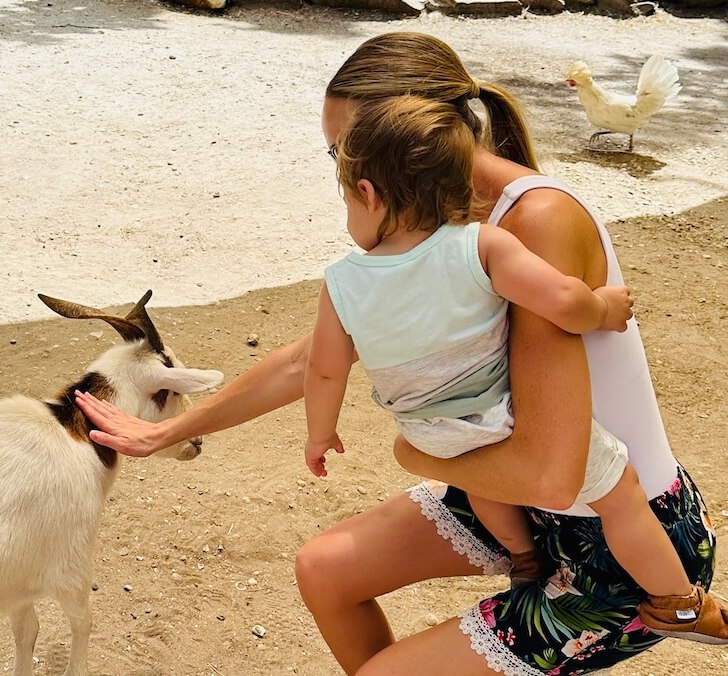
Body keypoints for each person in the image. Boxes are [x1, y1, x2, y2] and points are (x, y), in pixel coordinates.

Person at [73, 32, 720, 676]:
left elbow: (554, 473)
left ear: (406, 138)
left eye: (343, 151)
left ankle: (682, 608)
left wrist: (412, 454)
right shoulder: (435, 231)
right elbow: (311, 362)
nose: (343, 174)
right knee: (324, 570)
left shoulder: (534, 222)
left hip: (622, 544)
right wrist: (167, 431)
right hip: (528, 504)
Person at [301, 91, 725, 644]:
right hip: (496, 418)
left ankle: (525, 558)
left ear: (367, 193)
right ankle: (680, 603)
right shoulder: (480, 246)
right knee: (619, 490)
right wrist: (605, 308)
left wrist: (320, 434)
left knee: (478, 475)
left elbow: (324, 370)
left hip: (429, 432)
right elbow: (564, 303)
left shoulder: (342, 282)